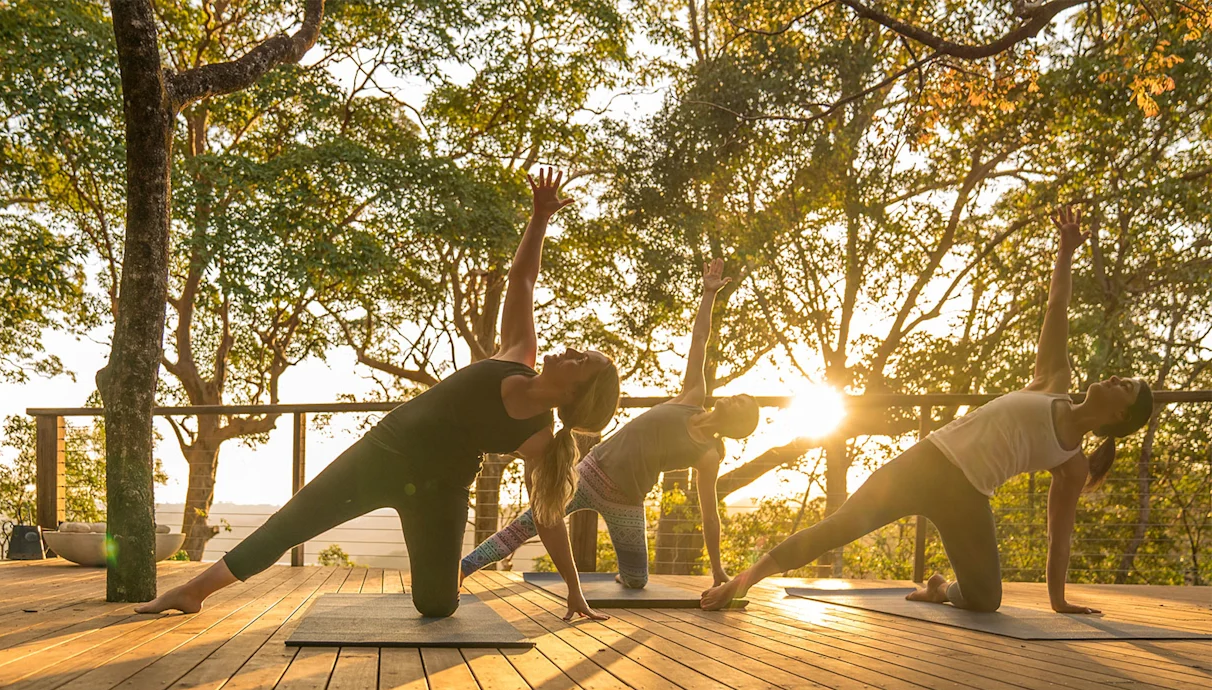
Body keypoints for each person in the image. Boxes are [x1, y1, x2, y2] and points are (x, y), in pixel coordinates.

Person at [138, 168, 621, 621]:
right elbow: (523, 280)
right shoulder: (519, 351)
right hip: (382, 453)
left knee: (436, 606)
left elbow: (551, 517)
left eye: (584, 361)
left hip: (440, 492)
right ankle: (192, 592)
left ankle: (442, 578)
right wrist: (538, 219)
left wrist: (574, 590)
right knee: (291, 524)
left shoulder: (538, 439)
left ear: (575, 393)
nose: (574, 349)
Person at [700, 206, 1153, 614]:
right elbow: (1058, 306)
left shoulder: (1072, 466)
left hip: (968, 498)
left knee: (985, 600)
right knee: (839, 527)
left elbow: (1060, 537)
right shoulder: (1054, 382)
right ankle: (745, 581)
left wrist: (1060, 602)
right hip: (927, 462)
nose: (1116, 378)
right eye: (1124, 376)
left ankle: (939, 589)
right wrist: (1065, 251)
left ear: (1119, 418)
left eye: (1126, 388)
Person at [461, 256, 759, 595]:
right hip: (589, 472)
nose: (734, 397)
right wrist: (709, 295)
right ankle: (464, 567)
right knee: (528, 523)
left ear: (738, 424)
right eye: (739, 394)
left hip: (626, 501)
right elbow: (699, 340)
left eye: (741, 403)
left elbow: (710, 516)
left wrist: (717, 568)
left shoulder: (708, 456)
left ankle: (624, 574)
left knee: (636, 581)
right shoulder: (692, 396)